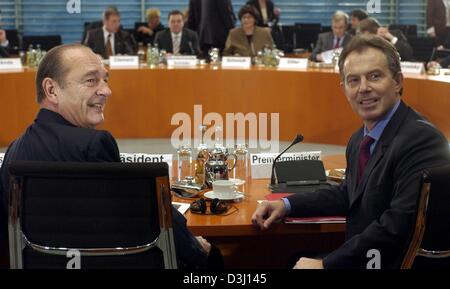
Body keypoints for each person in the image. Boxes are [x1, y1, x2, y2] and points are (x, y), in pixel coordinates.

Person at [0, 44, 221, 269]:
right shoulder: (93, 145)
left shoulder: (14, 152)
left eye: (105, 79)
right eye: (91, 80)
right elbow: (153, 217)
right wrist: (201, 251)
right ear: (52, 90)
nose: (106, 90)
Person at [252, 34, 450, 269]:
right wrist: (286, 204)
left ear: (397, 81)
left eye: (374, 76)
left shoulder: (420, 139)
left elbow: (398, 225)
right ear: (344, 88)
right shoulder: (360, 139)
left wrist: (327, 264)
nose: (364, 88)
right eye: (353, 80)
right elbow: (348, 194)